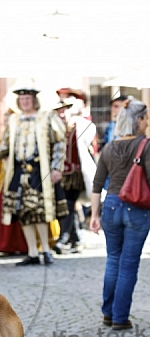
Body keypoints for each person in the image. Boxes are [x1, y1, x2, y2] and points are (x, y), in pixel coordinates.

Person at [0, 84, 66, 265]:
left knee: (38, 211)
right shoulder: (14, 120)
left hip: (39, 170)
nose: (25, 102)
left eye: (28, 98)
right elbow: (6, 146)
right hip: (18, 171)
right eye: (22, 99)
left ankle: (45, 249)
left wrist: (56, 168)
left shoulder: (46, 117)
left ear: (34, 100)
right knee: (22, 212)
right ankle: (32, 252)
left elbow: (60, 144)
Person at [90, 98, 150, 330]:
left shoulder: (108, 147)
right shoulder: (145, 145)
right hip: (137, 208)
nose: (147, 122)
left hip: (111, 206)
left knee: (113, 259)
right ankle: (120, 317)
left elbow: (97, 185)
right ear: (138, 120)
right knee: (128, 263)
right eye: (145, 118)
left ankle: (108, 313)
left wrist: (95, 214)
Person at [53, 98, 97, 254]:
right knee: (66, 206)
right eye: (58, 111)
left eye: (64, 110)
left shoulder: (79, 125)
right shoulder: (55, 128)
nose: (62, 114)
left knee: (69, 205)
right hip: (59, 173)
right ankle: (76, 239)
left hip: (75, 174)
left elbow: (90, 133)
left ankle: (63, 239)